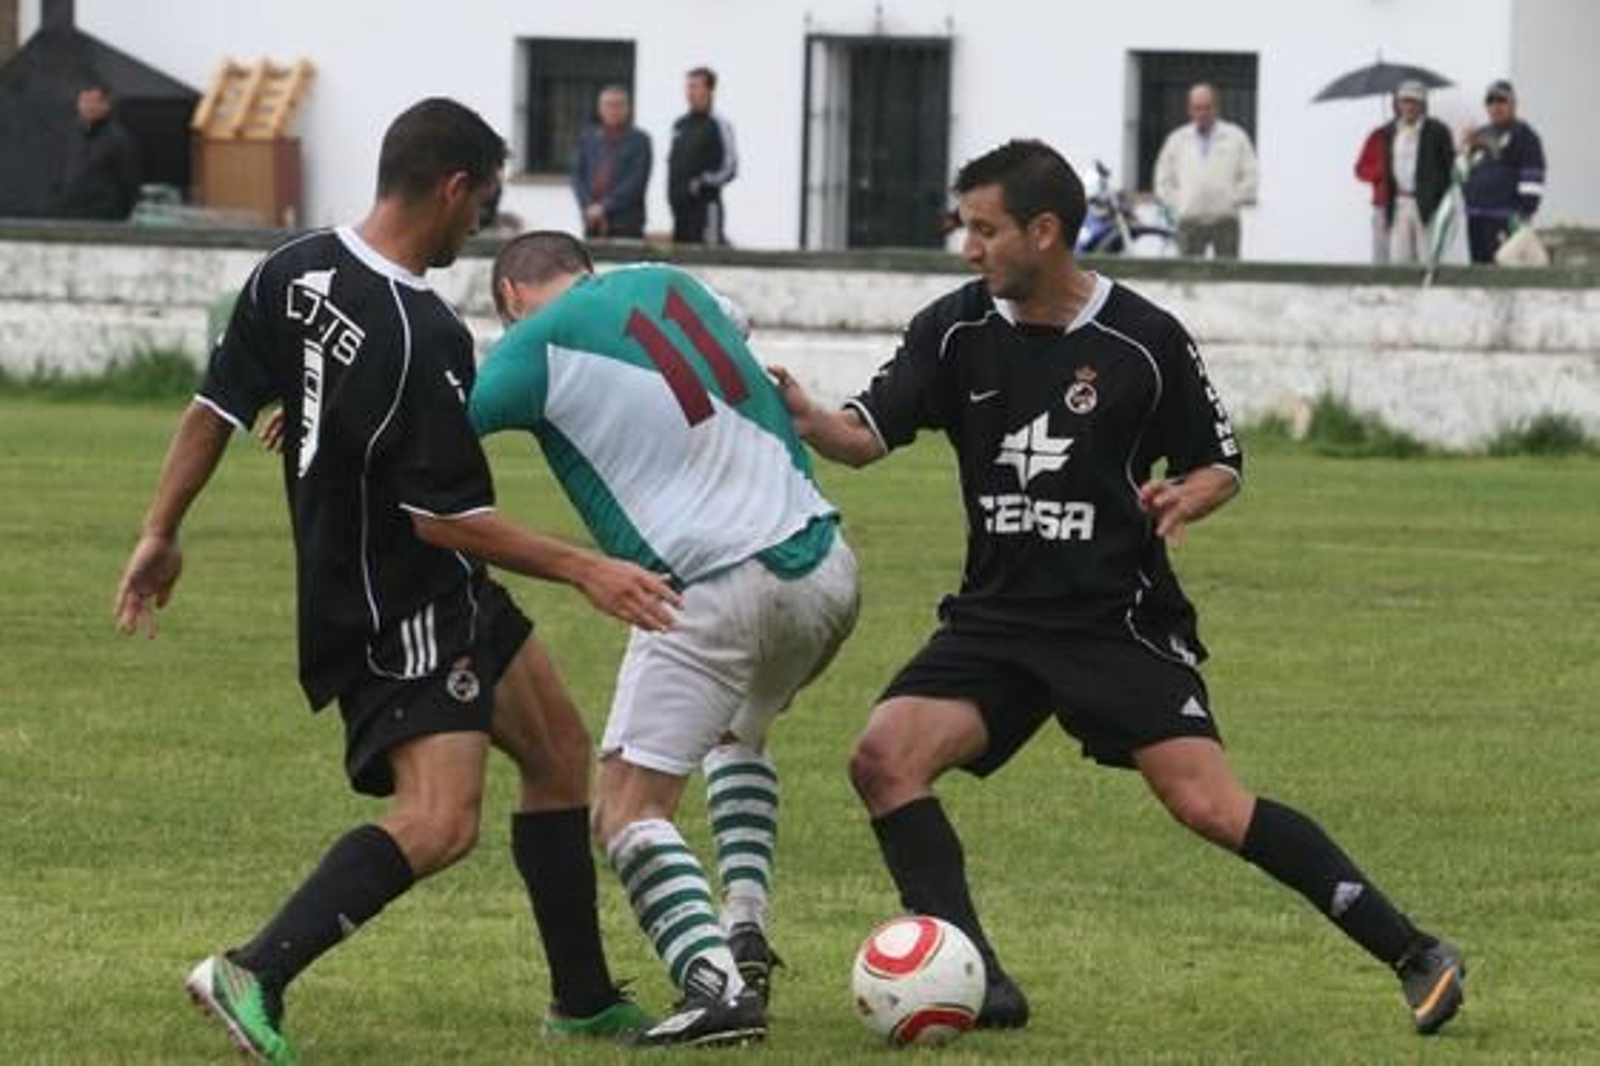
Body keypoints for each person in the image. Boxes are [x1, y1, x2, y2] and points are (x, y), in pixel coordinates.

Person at [770, 139, 1467, 1037]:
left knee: (1208, 806)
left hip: (1115, 619)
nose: (968, 248)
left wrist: (1191, 493)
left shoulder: (1143, 340)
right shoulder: (953, 328)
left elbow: (1221, 462)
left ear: (1046, 231)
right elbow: (863, 435)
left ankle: (1416, 952)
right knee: (882, 759)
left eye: (985, 230)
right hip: (997, 617)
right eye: (966, 228)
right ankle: (977, 979)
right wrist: (807, 417)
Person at [113, 98, 681, 1064]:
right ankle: (255, 969)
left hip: (419, 582)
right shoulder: (424, 334)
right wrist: (588, 567)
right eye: (485, 205)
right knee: (441, 820)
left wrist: (160, 532)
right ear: (453, 188)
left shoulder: (292, 270)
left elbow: (215, 405)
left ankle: (583, 999)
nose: (484, 227)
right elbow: (443, 515)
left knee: (556, 751)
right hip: (401, 598)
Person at [471, 232, 859, 1046]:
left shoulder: (530, 345)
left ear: (510, 295)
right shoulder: (669, 278)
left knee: (624, 812)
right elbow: (735, 325)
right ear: (588, 269)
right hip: (825, 569)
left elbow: (434, 431)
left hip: (713, 584)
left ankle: (713, 988)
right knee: (737, 731)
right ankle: (744, 923)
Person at [1154, 83, 1258, 258]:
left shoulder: (1236, 137)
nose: (1202, 113)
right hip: (1189, 221)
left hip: (1225, 221)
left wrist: (1232, 199)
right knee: (1187, 279)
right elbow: (1162, 179)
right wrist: (1180, 202)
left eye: (1207, 107)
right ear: (1190, 110)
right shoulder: (1177, 139)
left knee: (1227, 278)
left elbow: (1251, 175)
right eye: (1197, 108)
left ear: (1216, 108)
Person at [1461, 79, 1546, 265]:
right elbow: (1464, 172)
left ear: (1513, 103)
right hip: (1476, 217)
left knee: (1502, 275)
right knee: (1478, 273)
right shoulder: (1479, 133)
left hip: (1505, 219)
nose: (1495, 106)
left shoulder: (1525, 135)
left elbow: (1533, 178)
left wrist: (1524, 212)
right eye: (1490, 101)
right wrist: (1464, 150)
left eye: (1501, 100)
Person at [1378, 81, 1456, 265]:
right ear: (1397, 103)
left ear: (1423, 104)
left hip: (1426, 206)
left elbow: (1449, 168)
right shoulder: (1389, 131)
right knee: (1399, 260)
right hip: (1399, 204)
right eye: (1405, 101)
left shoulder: (1437, 130)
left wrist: (1437, 198)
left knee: (1428, 260)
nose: (1409, 106)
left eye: (1414, 101)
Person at [667, 66, 738, 245]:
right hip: (679, 212)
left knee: (707, 260)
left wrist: (702, 182)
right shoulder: (680, 124)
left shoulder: (719, 124)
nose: (690, 92)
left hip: (706, 210)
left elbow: (729, 167)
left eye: (695, 87)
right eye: (688, 87)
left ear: (710, 90)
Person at [571, 85, 652, 239]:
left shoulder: (640, 141)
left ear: (627, 108)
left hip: (626, 223)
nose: (613, 110)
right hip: (592, 222)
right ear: (600, 108)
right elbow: (577, 176)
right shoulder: (588, 137)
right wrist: (588, 206)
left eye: (618, 105)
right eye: (608, 105)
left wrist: (604, 207)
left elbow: (636, 182)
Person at [59, 80, 141, 220]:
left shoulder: (118, 139)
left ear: (107, 105)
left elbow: (130, 182)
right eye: (84, 101)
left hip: (104, 219)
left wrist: (120, 215)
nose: (89, 107)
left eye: (94, 102)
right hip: (71, 215)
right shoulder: (73, 134)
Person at [1354, 98, 1395, 265]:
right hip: (1383, 204)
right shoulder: (1379, 135)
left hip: (1411, 204)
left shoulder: (1421, 134)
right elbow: (1360, 170)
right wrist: (1381, 170)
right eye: (1400, 101)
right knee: (1381, 255)